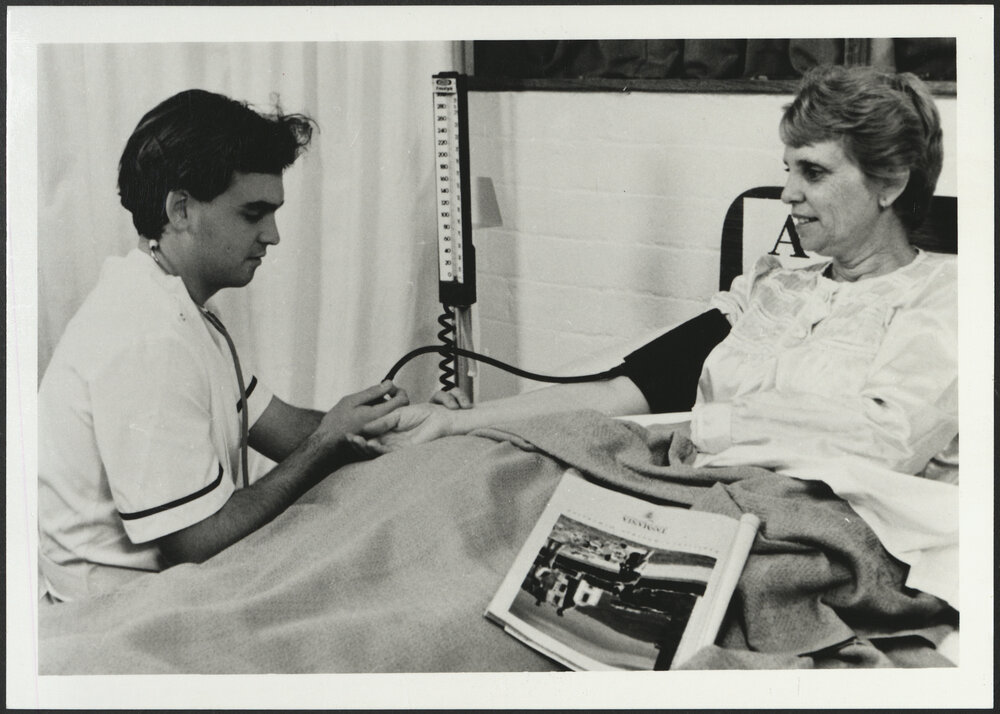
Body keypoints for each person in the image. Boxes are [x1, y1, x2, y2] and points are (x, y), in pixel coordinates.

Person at [363, 64, 957, 479]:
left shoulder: (946, 300)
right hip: (690, 486)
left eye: (814, 173)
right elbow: (632, 390)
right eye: (788, 169)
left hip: (810, 521)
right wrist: (450, 424)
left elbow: (884, 445)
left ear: (891, 183)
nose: (787, 193)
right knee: (474, 478)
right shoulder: (773, 289)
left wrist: (704, 430)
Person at [37, 89, 409, 602]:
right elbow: (197, 541)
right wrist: (329, 441)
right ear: (182, 209)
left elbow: (278, 427)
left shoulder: (173, 303)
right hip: (121, 615)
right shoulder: (146, 335)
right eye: (253, 213)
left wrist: (398, 426)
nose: (272, 236)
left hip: (172, 588)